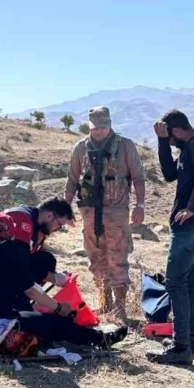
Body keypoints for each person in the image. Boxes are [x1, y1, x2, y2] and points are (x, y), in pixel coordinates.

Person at [0, 198, 127, 348]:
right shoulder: (11, 252)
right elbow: (28, 286)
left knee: (37, 281)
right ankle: (98, 339)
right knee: (53, 322)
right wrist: (57, 307)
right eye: (59, 225)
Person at [146, 109, 194, 366]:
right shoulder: (192, 147)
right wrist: (162, 142)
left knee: (176, 283)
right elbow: (168, 174)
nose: (171, 142)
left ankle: (181, 347)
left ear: (176, 131)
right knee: (187, 282)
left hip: (190, 226)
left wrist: (192, 207)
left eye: (169, 137)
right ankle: (191, 339)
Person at [65, 106, 146, 322]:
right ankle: (105, 303)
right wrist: (65, 208)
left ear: (110, 124)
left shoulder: (125, 146)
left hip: (116, 212)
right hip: (90, 212)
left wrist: (140, 205)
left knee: (118, 258)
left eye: (103, 126)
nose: (99, 131)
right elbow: (72, 180)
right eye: (95, 127)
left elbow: (138, 177)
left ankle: (120, 309)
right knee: (95, 258)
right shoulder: (80, 148)